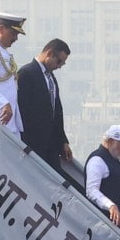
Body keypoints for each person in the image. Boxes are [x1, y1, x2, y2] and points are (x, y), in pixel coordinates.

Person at [17, 39, 73, 171]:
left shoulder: (51, 78)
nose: (59, 66)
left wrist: (63, 141)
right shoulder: (26, 73)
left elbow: (56, 112)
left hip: (50, 144)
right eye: (59, 61)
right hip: (33, 144)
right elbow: (22, 111)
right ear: (49, 53)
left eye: (63, 63)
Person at [84, 125, 120, 240]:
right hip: (111, 233)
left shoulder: (114, 161)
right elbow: (91, 191)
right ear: (110, 141)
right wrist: (111, 206)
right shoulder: (97, 161)